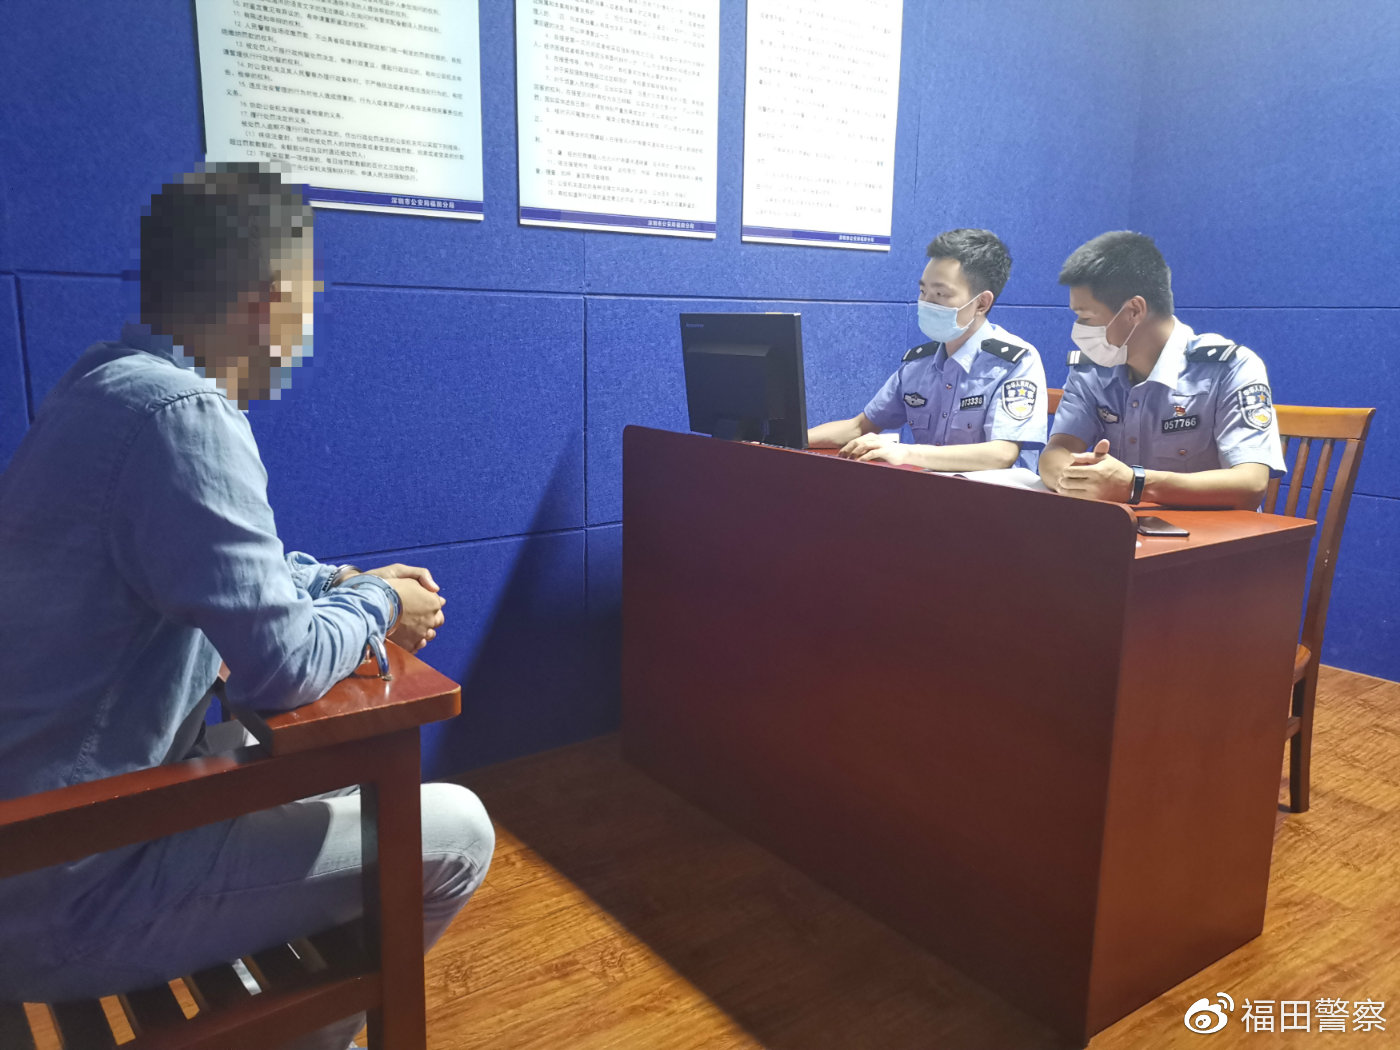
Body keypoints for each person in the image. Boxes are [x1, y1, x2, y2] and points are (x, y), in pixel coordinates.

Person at [0, 164, 493, 1050]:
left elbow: (227, 572)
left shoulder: (103, 386)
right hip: (68, 883)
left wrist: (341, 583)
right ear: (271, 300)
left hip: (36, 847)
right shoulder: (185, 415)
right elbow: (283, 666)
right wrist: (380, 602)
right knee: (458, 832)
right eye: (307, 306)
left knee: (342, 778)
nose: (304, 333)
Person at [1039, 231, 1285, 507]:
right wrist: (1075, 481)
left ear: (1134, 310)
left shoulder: (1230, 368)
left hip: (1208, 529)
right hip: (1121, 525)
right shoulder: (1091, 370)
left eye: (1085, 316)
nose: (1078, 329)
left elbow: (1251, 483)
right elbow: (1057, 451)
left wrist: (1135, 484)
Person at [806, 228, 1047, 471]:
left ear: (981, 303)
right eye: (923, 291)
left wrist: (906, 452)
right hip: (928, 489)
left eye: (940, 294)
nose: (926, 303)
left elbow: (1001, 454)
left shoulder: (1016, 361)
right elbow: (859, 427)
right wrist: (791, 437)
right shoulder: (918, 364)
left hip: (992, 493)